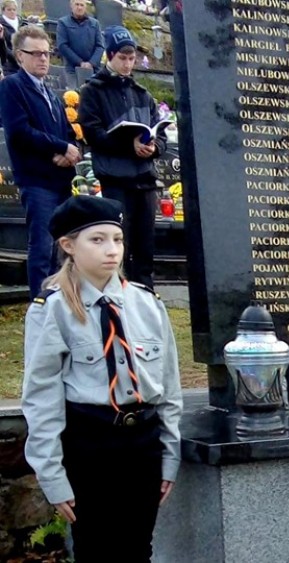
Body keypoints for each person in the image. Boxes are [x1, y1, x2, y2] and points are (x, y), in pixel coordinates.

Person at [22, 195, 182, 563]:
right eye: (97, 240)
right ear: (68, 245)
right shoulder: (53, 310)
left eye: (117, 239)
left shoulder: (147, 303)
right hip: (89, 446)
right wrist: (52, 475)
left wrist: (170, 454)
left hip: (143, 445)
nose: (112, 250)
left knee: (139, 549)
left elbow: (169, 388)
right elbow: (42, 399)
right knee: (96, 551)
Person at [78, 26, 167, 288]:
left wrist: (154, 147)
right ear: (110, 56)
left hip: (144, 178)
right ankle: (117, 294)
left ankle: (145, 294)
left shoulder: (142, 94)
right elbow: (92, 133)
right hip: (116, 178)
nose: (128, 64)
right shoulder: (93, 91)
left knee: (145, 246)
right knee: (118, 244)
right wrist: (130, 145)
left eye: (132, 58)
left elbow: (160, 133)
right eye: (122, 58)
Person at [0, 26, 80, 298]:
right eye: (35, 53)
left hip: (61, 180)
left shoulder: (51, 93)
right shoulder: (12, 86)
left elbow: (67, 132)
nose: (43, 58)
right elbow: (19, 132)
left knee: (62, 246)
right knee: (42, 247)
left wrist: (71, 151)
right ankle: (41, 304)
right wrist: (61, 147)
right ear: (19, 55)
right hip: (37, 180)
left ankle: (61, 300)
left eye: (46, 53)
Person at [56, 0, 104, 88]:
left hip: (93, 69)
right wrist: (80, 62)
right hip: (72, 69)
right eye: (77, 4)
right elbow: (62, 45)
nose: (79, 7)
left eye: (82, 5)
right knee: (74, 95)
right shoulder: (63, 22)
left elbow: (100, 46)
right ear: (71, 5)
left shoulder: (95, 24)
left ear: (85, 6)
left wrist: (91, 63)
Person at [1, 0, 22, 77]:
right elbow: (3, 47)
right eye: (9, 9)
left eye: (14, 9)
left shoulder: (22, 24)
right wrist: (16, 56)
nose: (12, 12)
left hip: (22, 62)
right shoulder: (1, 26)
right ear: (3, 11)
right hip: (8, 64)